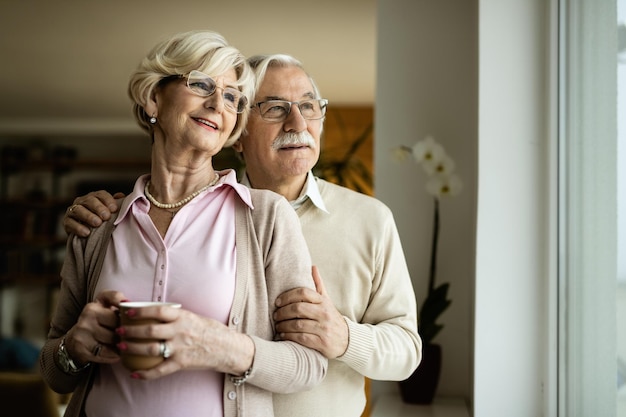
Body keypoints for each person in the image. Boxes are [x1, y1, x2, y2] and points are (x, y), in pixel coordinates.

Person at [64, 53, 421, 417]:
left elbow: (407, 351)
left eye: (309, 106)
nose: (297, 122)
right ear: (237, 133)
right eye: (275, 108)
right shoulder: (197, 218)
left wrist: (343, 337)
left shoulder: (370, 219)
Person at [39, 31, 327, 417]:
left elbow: (309, 365)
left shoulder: (267, 217)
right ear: (153, 96)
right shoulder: (99, 224)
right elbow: (54, 374)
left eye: (231, 97)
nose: (216, 104)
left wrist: (219, 345)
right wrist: (72, 347)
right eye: (201, 84)